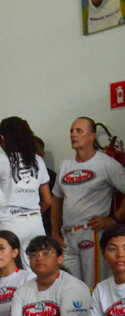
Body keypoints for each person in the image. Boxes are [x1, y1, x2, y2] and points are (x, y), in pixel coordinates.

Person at [50, 118, 125, 288]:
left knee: (94, 285)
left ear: (92, 136)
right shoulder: (65, 164)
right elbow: (57, 199)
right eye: (71, 130)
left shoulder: (106, 164)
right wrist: (55, 232)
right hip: (67, 236)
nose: (73, 135)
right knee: (69, 287)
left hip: (91, 233)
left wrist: (114, 219)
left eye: (79, 131)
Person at [0, 117, 51, 257]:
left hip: (10, 223)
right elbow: (48, 200)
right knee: (36, 267)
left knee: (8, 267)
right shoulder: (38, 160)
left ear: (2, 139)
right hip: (36, 223)